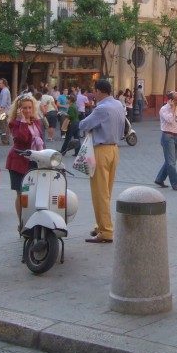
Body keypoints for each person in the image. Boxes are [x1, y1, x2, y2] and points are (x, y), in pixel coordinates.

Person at [78, 79, 124, 243]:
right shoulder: (118, 105)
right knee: (107, 191)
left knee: (100, 192)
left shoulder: (102, 108)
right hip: (114, 149)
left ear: (98, 91)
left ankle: (105, 231)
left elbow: (83, 124)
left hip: (101, 150)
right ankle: (100, 225)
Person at [5, 94, 45, 230]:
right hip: (18, 162)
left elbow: (41, 139)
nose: (27, 111)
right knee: (21, 193)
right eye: (24, 108)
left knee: (33, 193)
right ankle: (22, 222)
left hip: (35, 161)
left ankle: (33, 220)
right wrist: (22, 120)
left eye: (29, 107)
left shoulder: (36, 121)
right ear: (18, 109)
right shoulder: (14, 123)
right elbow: (22, 138)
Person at [155, 91, 177, 191]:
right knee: (171, 163)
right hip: (168, 136)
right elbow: (170, 120)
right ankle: (175, 184)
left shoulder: (176, 109)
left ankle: (159, 178)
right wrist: (171, 108)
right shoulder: (164, 109)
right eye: (175, 100)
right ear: (170, 100)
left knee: (171, 161)